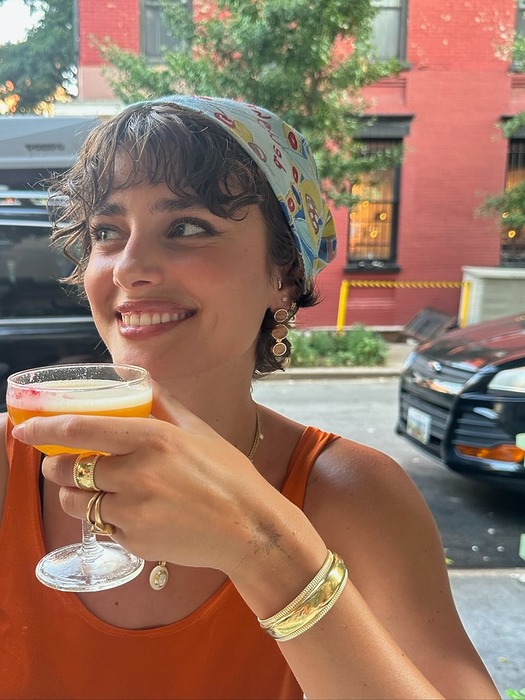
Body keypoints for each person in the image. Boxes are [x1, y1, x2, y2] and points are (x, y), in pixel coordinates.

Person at [0, 95, 500, 700]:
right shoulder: (12, 460)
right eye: (107, 232)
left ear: (284, 274)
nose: (128, 268)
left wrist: (266, 551)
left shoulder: (355, 495)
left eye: (187, 227)